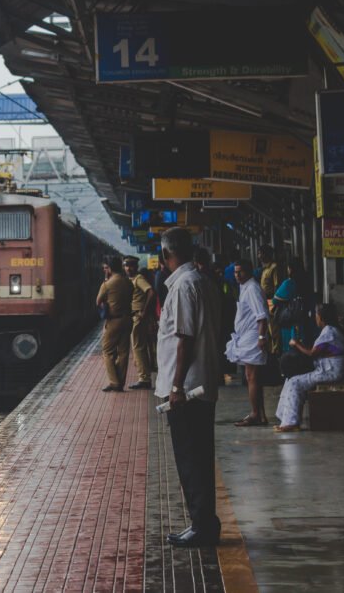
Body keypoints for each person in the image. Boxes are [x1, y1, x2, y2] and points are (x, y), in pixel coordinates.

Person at [156, 228, 223, 548]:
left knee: (190, 458)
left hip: (188, 391)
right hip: (201, 384)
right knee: (200, 456)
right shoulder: (202, 281)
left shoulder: (183, 286)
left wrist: (176, 386)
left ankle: (202, 525)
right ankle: (206, 522)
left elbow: (184, 339)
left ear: (167, 255)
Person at [274, 303, 344, 432]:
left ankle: (291, 422)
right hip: (327, 369)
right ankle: (284, 418)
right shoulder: (332, 329)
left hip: (330, 372)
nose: (315, 318)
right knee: (290, 379)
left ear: (321, 317)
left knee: (295, 383)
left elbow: (312, 353)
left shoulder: (329, 331)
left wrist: (296, 343)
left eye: (316, 315)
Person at [225, 260, 270, 426]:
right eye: (236, 272)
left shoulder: (252, 288)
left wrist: (261, 338)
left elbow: (262, 316)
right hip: (247, 337)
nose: (237, 275)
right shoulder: (245, 287)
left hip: (253, 338)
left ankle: (255, 414)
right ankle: (261, 414)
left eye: (241, 272)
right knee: (254, 378)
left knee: (251, 377)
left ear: (249, 272)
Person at [96, 256, 133, 392]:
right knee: (123, 352)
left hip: (114, 321)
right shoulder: (128, 282)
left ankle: (114, 382)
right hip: (127, 319)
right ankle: (121, 382)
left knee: (107, 351)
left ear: (110, 268)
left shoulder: (107, 284)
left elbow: (98, 301)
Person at [123, 256, 155, 389]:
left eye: (130, 265)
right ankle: (144, 376)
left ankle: (144, 379)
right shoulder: (130, 280)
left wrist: (144, 312)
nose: (128, 268)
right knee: (138, 347)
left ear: (136, 267)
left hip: (138, 316)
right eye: (126, 265)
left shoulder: (138, 279)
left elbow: (151, 292)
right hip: (134, 316)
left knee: (138, 347)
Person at [272, 257, 311, 353]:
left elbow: (274, 301)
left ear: (290, 268)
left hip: (291, 321)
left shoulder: (288, 283)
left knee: (291, 349)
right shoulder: (307, 280)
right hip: (307, 319)